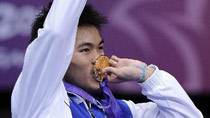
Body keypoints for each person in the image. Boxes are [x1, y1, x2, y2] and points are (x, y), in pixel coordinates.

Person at [11, 0, 203, 118]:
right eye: (85, 50)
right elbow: (55, 33)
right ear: (60, 59)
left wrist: (147, 75)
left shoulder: (120, 111)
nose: (98, 58)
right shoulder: (37, 100)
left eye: (100, 47)